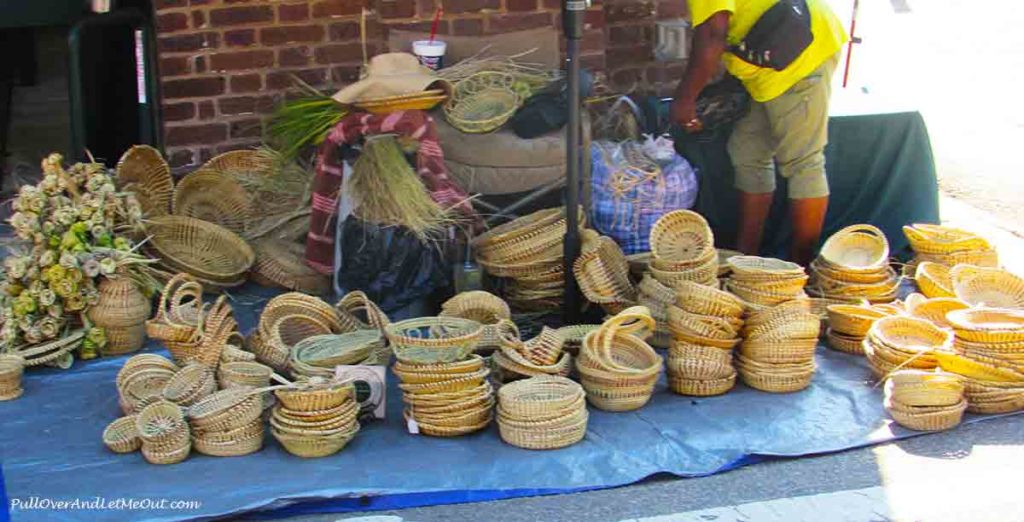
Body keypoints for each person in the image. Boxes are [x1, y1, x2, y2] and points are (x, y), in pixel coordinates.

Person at [671, 0, 848, 265]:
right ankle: (746, 258)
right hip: (771, 59)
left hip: (802, 54)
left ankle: (800, 269)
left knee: (803, 162)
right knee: (748, 152)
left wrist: (685, 100)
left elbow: (712, 34)